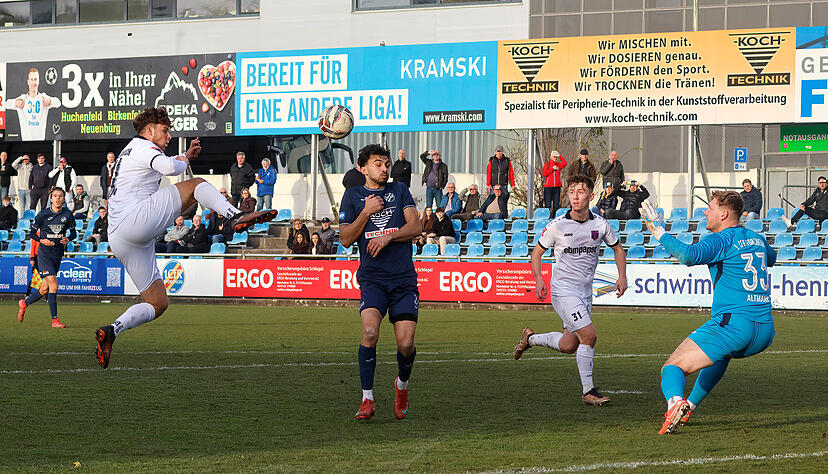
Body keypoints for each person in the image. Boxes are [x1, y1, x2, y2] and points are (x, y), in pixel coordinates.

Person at [93, 106, 278, 369]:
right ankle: (234, 216)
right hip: (133, 220)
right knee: (196, 185)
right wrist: (185, 159)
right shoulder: (144, 146)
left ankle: (112, 330)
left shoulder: (131, 150)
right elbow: (170, 167)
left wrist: (186, 157)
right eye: (165, 130)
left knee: (157, 302)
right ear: (150, 130)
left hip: (120, 236)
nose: (169, 136)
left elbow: (169, 163)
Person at [640, 193, 776, 435]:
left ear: (724, 214)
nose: (705, 212)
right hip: (765, 329)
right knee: (721, 356)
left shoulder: (721, 239)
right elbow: (772, 258)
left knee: (672, 367)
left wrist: (658, 231)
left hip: (734, 325)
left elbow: (688, 255)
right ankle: (688, 408)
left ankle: (675, 403)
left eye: (710, 208)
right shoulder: (756, 237)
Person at [513, 174, 627, 406]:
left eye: (580, 192)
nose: (575, 197)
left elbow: (618, 249)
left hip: (584, 293)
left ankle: (530, 338)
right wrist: (539, 279)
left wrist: (622, 276)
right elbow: (536, 253)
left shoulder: (600, 224)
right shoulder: (557, 226)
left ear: (591, 196)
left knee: (569, 345)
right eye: (572, 192)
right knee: (589, 335)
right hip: (563, 291)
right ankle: (588, 392)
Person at [339, 143, 421, 421]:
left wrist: (388, 237)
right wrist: (365, 212)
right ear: (362, 168)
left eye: (386, 163)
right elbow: (346, 239)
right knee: (370, 333)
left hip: (403, 279)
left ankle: (402, 386)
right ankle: (367, 399)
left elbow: (416, 226)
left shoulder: (399, 190)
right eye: (378, 164)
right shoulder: (352, 196)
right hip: (372, 279)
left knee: (406, 344)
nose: (384, 168)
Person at [17, 187, 76, 328]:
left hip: (57, 254)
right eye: (55, 196)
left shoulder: (67, 214)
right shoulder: (43, 214)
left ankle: (24, 303)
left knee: (44, 289)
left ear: (63, 199)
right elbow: (32, 234)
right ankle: (55, 320)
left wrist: (68, 239)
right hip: (44, 255)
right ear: (51, 198)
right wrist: (41, 240)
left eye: (60, 196)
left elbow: (73, 233)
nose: (57, 198)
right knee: (54, 285)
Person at [6, 67, 61, 141]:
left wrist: (50, 101)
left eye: (35, 79)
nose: (33, 83)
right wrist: (15, 102)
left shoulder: (43, 97)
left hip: (40, 142)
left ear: (38, 81)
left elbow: (58, 102)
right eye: (31, 79)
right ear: (28, 82)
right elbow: (6, 104)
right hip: (25, 141)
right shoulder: (23, 98)